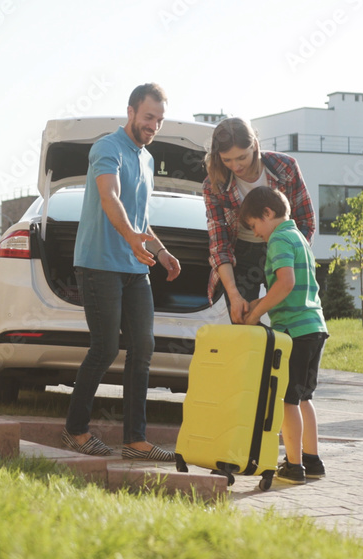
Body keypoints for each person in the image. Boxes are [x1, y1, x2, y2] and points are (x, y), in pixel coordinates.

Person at [62, 83, 179, 462]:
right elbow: (110, 197)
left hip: (135, 267)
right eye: (148, 117)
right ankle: (76, 431)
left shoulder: (146, 159)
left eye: (159, 120)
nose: (153, 126)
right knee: (105, 347)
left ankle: (135, 440)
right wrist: (131, 238)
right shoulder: (107, 148)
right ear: (130, 112)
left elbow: (140, 217)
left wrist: (160, 252)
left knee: (142, 347)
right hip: (99, 264)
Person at [237, 186, 329, 485]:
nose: (257, 234)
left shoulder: (278, 239)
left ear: (267, 214)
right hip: (314, 327)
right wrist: (256, 305)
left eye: (254, 226)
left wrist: (254, 315)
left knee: (287, 400)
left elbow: (285, 283)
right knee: (304, 397)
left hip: (293, 330)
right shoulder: (298, 237)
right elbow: (292, 286)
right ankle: (312, 460)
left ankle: (293, 465)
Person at [203, 117, 316, 323]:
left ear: (255, 145)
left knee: (290, 318)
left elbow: (306, 221)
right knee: (243, 321)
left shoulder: (286, 167)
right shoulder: (214, 185)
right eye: (227, 160)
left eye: (241, 157)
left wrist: (294, 256)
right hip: (241, 255)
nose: (236, 166)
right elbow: (219, 245)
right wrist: (234, 295)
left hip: (283, 247)